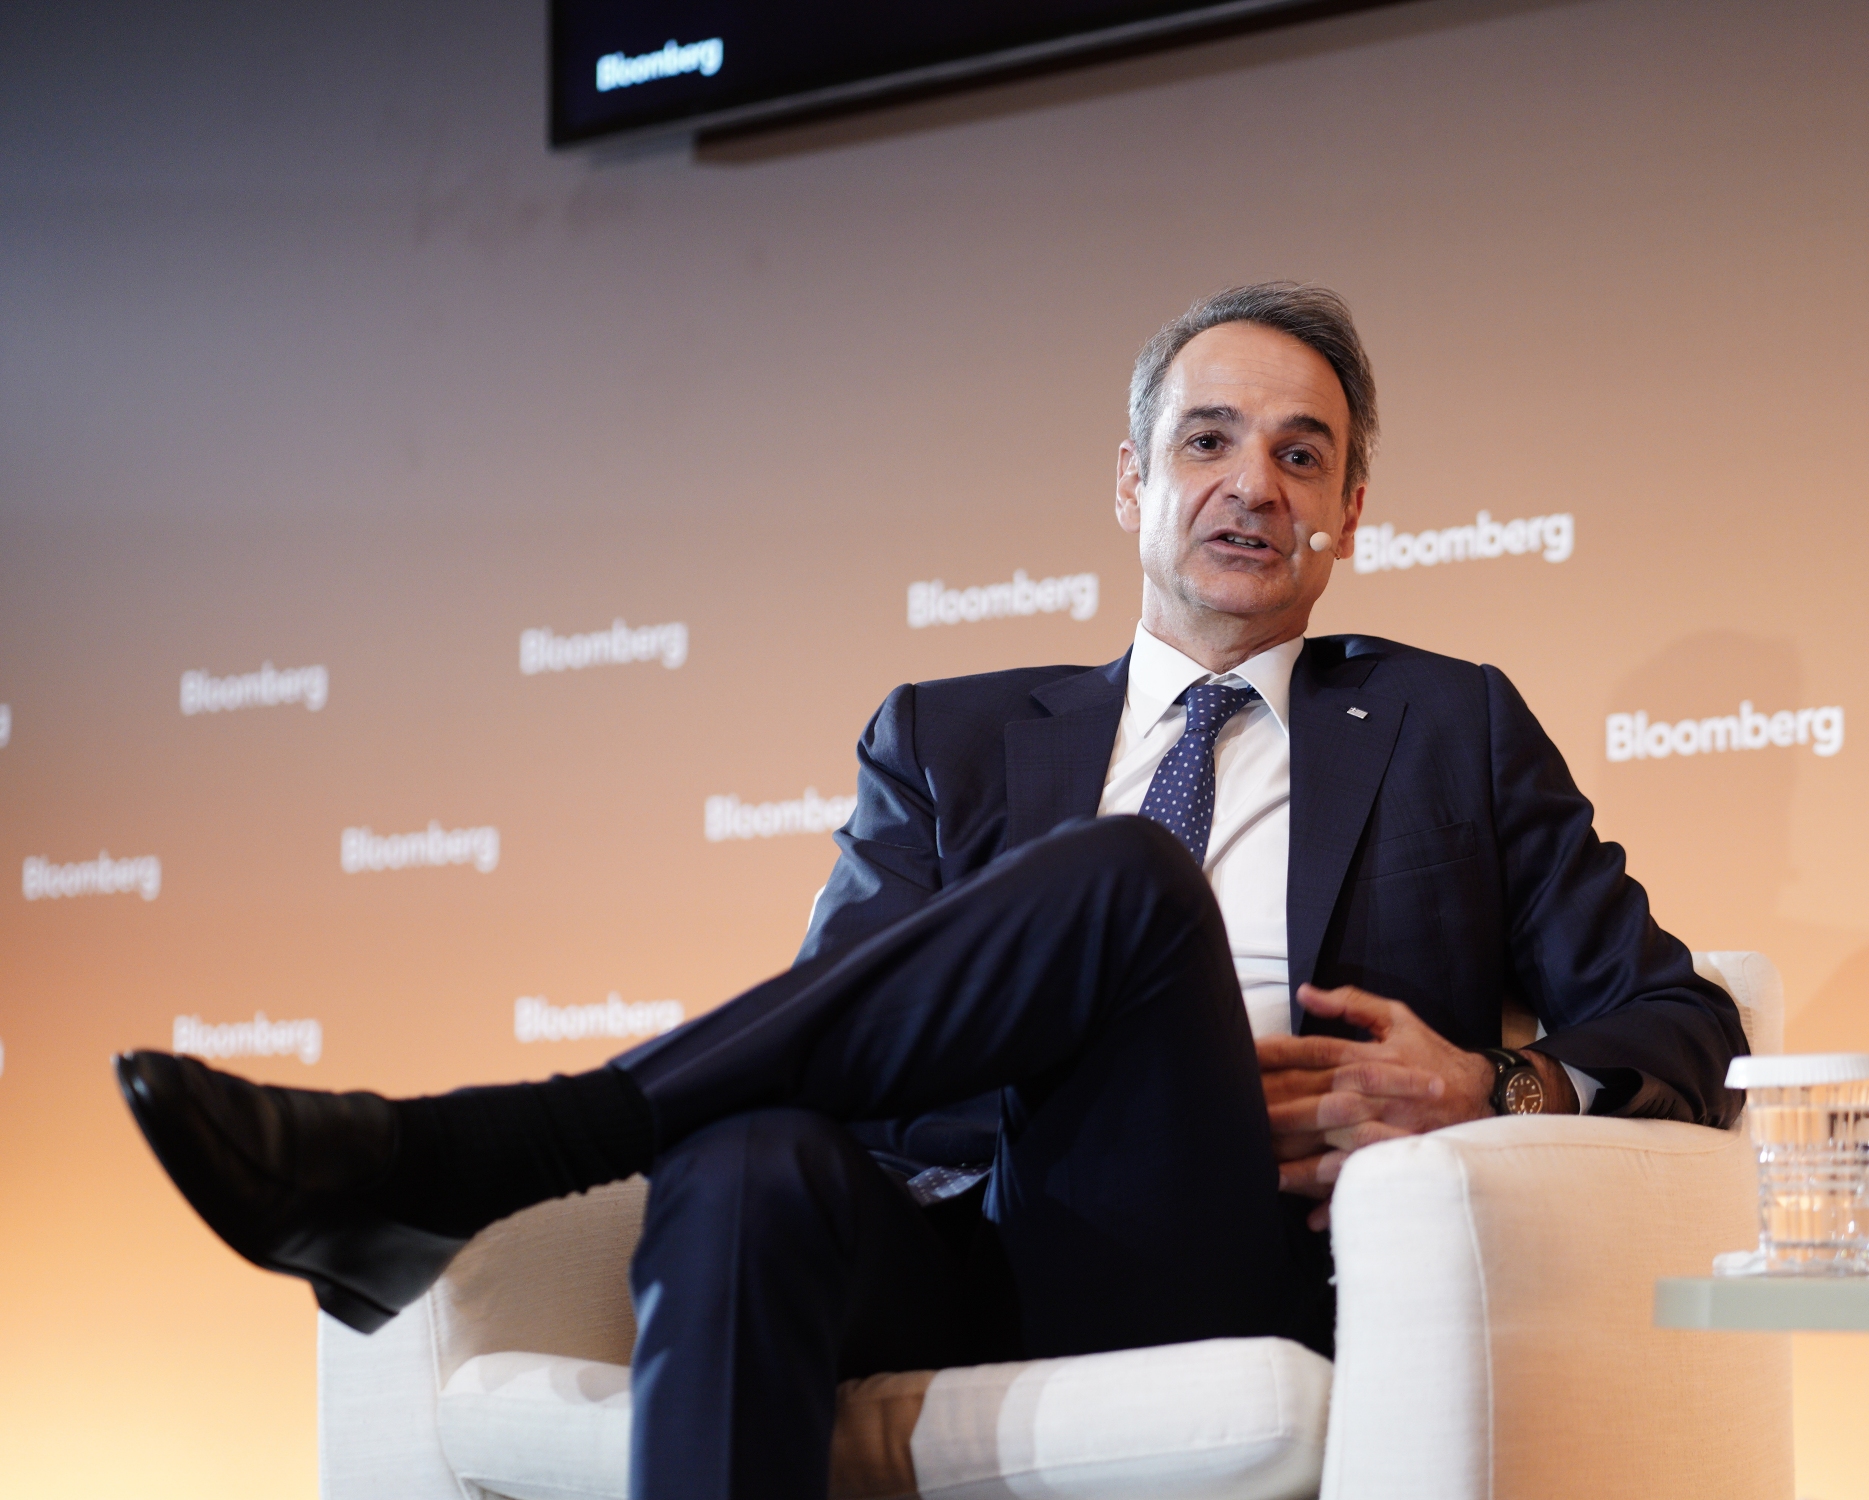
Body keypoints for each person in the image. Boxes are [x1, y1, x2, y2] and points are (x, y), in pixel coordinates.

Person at [117, 283, 1746, 1500]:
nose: (1252, 481)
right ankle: (533, 1148)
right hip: (949, 1238)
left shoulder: (1450, 723)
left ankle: (491, 1152)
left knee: (1128, 882)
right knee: (747, 1162)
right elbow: (840, 1043)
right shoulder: (945, 736)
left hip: (1220, 1241)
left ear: (1347, 516)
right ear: (1130, 484)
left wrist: (1496, 1084)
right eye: (1207, 439)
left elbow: (1687, 1020)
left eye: (1299, 454)